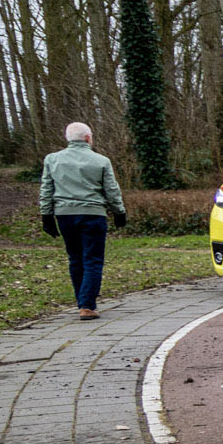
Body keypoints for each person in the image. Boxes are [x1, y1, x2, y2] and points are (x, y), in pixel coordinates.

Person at [39, 121, 126, 318]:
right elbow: (111, 190)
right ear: (88, 138)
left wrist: (46, 216)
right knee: (93, 259)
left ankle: (82, 302)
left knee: (75, 258)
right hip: (93, 214)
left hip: (65, 214)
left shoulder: (52, 160)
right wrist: (119, 212)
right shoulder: (101, 161)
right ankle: (87, 305)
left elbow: (46, 190)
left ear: (67, 138)